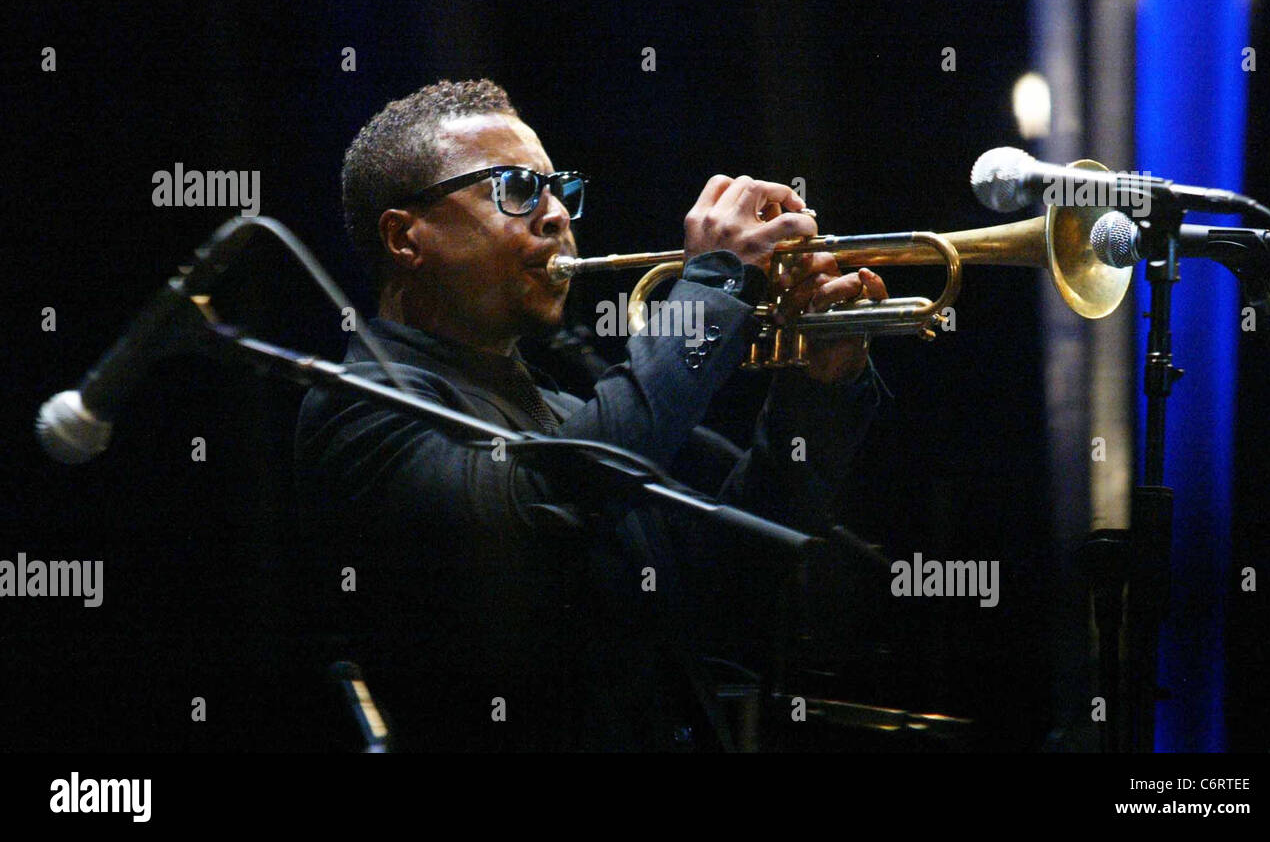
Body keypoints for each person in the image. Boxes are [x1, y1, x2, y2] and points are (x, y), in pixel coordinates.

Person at [295, 79, 889, 751]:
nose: (556, 217)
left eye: (558, 191)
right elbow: (554, 489)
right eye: (515, 189)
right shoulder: (359, 412)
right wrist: (716, 284)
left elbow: (732, 580)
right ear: (406, 238)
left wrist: (822, 388)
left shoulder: (562, 410)